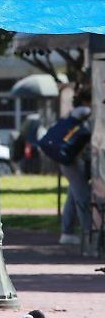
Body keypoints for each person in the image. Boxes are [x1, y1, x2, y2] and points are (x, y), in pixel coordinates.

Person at [58, 88, 93, 248]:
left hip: (68, 159)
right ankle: (89, 234)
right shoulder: (85, 112)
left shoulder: (74, 113)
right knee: (83, 197)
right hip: (75, 160)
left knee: (73, 196)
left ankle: (67, 232)